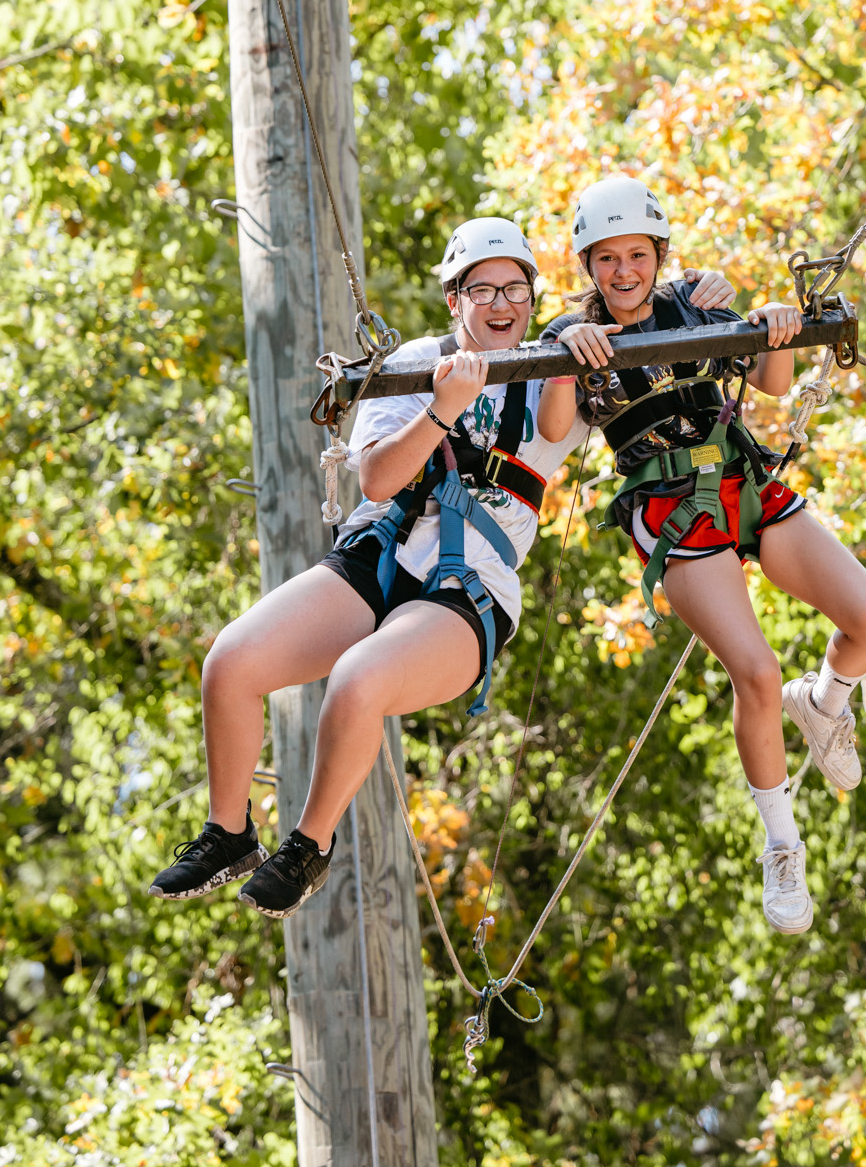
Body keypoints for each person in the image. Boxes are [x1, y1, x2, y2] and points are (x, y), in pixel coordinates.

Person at [148, 215, 736, 917]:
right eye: (481, 290)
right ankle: (229, 831)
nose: (499, 306)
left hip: (470, 583)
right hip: (384, 553)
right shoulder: (414, 368)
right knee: (231, 662)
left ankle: (308, 846)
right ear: (453, 300)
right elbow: (377, 481)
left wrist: (696, 292)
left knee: (358, 678)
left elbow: (633, 313)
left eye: (515, 290)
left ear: (532, 298)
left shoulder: (554, 371)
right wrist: (441, 409)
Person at [538, 176, 866, 935]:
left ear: (660, 254)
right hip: (674, 510)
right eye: (607, 260)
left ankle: (826, 704)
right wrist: (568, 353)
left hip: (745, 483)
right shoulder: (573, 336)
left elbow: (769, 384)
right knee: (757, 673)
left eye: (638, 255)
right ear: (588, 266)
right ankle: (782, 841)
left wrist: (768, 323)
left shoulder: (694, 305)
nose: (624, 272)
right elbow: (552, 423)